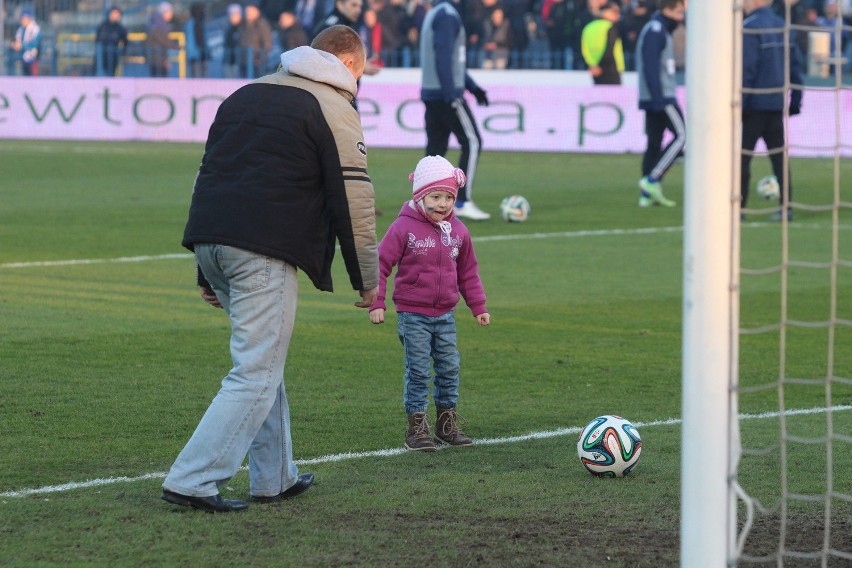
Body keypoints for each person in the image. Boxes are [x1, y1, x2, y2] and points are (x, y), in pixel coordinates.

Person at [161, 25, 379, 513]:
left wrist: (204, 267)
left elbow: (211, 174)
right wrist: (367, 278)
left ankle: (274, 477)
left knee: (265, 364)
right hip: (263, 247)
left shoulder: (245, 94)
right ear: (346, 65)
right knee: (256, 372)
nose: (359, 86)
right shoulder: (333, 105)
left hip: (213, 240)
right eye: (360, 75)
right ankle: (193, 479)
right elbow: (354, 196)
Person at [369, 155, 490, 452]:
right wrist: (377, 302)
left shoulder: (458, 231)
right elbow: (380, 265)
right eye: (436, 196)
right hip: (413, 315)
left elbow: (468, 272)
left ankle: (446, 423)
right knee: (419, 369)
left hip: (446, 314)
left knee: (450, 367)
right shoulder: (402, 228)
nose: (443, 204)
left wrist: (479, 306)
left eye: (449, 197)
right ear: (420, 196)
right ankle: (417, 428)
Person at [420, 0, 491, 220]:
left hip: (432, 92)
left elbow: (451, 63)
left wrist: (473, 87)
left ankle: (423, 201)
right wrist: (452, 94)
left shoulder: (436, 13)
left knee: (435, 150)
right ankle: (461, 201)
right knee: (472, 141)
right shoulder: (448, 15)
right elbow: (444, 58)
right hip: (445, 94)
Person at [741, 0, 804, 221]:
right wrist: (795, 99)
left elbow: (748, 67)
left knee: (742, 157)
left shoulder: (749, 26)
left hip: (754, 104)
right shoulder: (783, 25)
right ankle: (786, 208)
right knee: (779, 158)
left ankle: (739, 209)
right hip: (776, 103)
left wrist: (742, 102)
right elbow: (795, 66)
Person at [635, 0, 685, 207]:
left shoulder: (658, 28)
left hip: (654, 95)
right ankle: (652, 179)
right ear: (667, 10)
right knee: (683, 136)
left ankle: (646, 196)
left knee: (654, 143)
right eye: (679, 11)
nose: (682, 16)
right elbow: (650, 65)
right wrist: (657, 97)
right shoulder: (656, 30)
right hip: (661, 95)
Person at [581, 0, 624, 84]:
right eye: (615, 12)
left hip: (594, 70)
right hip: (611, 69)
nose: (618, 16)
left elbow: (584, 50)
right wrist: (601, 67)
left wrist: (592, 66)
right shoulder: (610, 27)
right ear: (606, 12)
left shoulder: (588, 28)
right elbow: (609, 49)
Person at [242, 0, 275, 77]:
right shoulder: (244, 25)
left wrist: (260, 58)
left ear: (256, 11)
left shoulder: (262, 24)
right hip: (244, 62)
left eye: (250, 10)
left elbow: (267, 43)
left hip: (257, 64)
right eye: (247, 10)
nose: (248, 13)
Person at [95, 6, 128, 76]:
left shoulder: (121, 29)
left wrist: (121, 53)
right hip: (100, 57)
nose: (115, 16)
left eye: (117, 14)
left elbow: (125, 43)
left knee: (110, 76)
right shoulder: (102, 26)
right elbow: (97, 40)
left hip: (113, 58)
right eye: (113, 13)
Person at [147, 1, 175, 77]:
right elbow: (163, 42)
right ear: (165, 12)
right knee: (161, 83)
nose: (171, 15)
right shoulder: (161, 25)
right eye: (170, 12)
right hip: (158, 60)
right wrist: (177, 46)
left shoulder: (153, 22)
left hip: (153, 59)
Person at [185, 2, 211, 78]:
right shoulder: (195, 23)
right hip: (196, 53)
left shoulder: (195, 23)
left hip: (199, 53)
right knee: (198, 75)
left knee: (198, 75)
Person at [12, 9, 41, 76]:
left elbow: (35, 44)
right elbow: (16, 40)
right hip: (22, 54)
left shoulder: (35, 29)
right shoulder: (20, 29)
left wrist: (22, 46)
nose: (23, 21)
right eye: (22, 19)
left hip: (33, 55)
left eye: (25, 19)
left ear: (29, 19)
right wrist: (14, 44)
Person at [222, 3, 244, 78]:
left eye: (235, 15)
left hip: (239, 60)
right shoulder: (228, 28)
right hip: (228, 60)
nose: (233, 17)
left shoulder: (243, 28)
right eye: (231, 15)